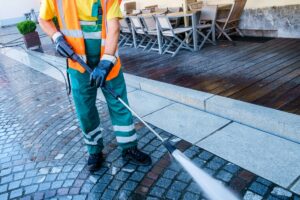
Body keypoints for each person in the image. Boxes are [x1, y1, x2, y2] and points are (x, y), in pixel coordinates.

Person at [38, 0, 151, 171]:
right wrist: (57, 37)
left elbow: (113, 28)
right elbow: (43, 19)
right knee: (85, 109)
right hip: (78, 64)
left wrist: (106, 63)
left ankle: (129, 148)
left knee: (119, 104)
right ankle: (94, 150)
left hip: (108, 59)